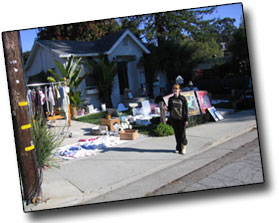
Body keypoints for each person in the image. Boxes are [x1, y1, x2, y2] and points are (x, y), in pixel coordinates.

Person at [167, 84, 188, 154]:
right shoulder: (170, 99)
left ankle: (183, 147)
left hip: (181, 118)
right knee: (177, 133)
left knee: (182, 134)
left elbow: (185, 109)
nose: (175, 90)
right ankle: (178, 147)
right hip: (174, 118)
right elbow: (169, 108)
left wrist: (186, 119)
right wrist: (165, 108)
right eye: (174, 89)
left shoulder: (182, 99)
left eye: (177, 89)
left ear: (179, 90)